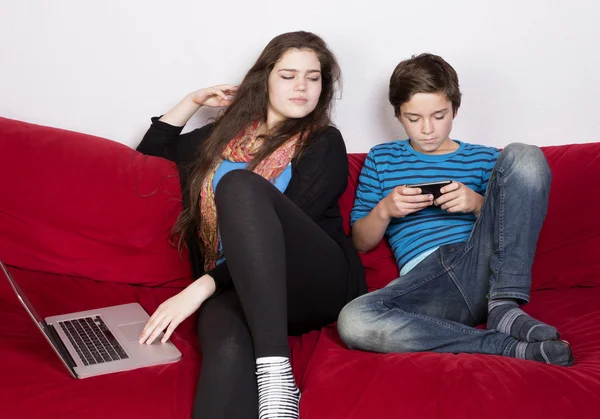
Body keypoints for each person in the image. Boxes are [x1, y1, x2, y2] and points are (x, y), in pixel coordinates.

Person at [135, 31, 366, 419]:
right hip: (242, 289)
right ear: (265, 79)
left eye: (313, 77)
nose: (302, 86)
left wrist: (201, 286)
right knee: (225, 342)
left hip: (314, 280)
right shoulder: (221, 138)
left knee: (240, 185)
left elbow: (288, 233)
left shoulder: (324, 142)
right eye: (289, 75)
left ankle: (276, 373)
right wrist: (192, 101)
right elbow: (148, 156)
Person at [337, 53, 573, 367]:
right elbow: (361, 242)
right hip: (429, 283)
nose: (427, 129)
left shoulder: (484, 158)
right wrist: (385, 209)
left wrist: (476, 204)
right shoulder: (382, 159)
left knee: (525, 156)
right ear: (397, 115)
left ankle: (503, 305)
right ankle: (504, 345)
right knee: (354, 320)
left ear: (455, 110)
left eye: (439, 115)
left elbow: (514, 221)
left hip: (485, 267)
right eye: (413, 118)